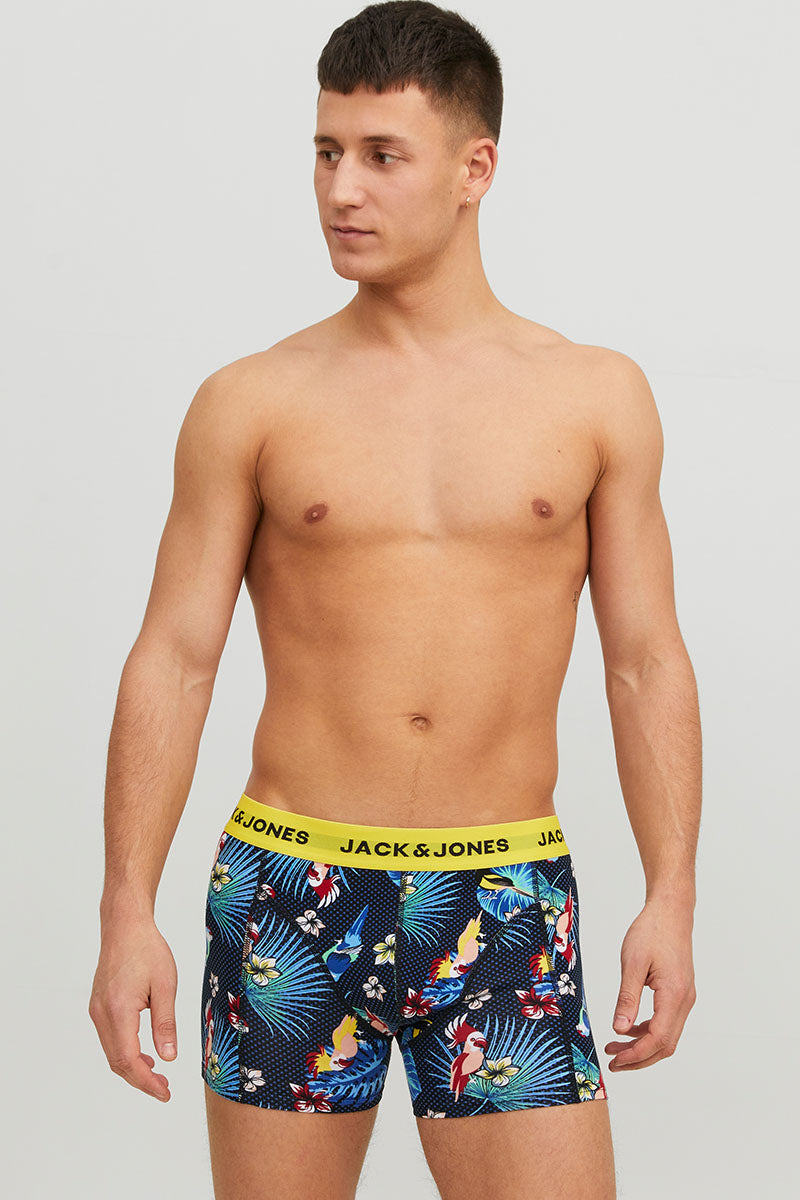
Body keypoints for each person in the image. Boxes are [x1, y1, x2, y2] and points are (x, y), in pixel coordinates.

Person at [88, 3, 701, 1197]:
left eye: (380, 155)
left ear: (475, 169)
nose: (340, 190)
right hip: (289, 892)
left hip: (502, 894)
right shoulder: (252, 401)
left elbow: (643, 660)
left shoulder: (593, 397)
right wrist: (125, 910)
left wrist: (669, 896)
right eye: (325, 152)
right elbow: (173, 657)